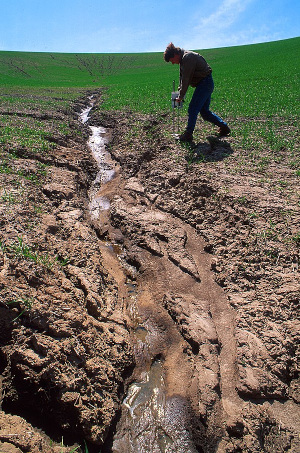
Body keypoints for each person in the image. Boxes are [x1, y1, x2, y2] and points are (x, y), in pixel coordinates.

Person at [164, 42, 231, 142]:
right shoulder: (183, 60)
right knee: (204, 112)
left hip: (205, 83)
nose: (173, 63)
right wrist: (178, 93)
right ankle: (224, 128)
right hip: (205, 83)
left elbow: (186, 78)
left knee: (193, 108)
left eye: (172, 60)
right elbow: (182, 79)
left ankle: (188, 134)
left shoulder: (188, 58)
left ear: (175, 55)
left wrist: (181, 96)